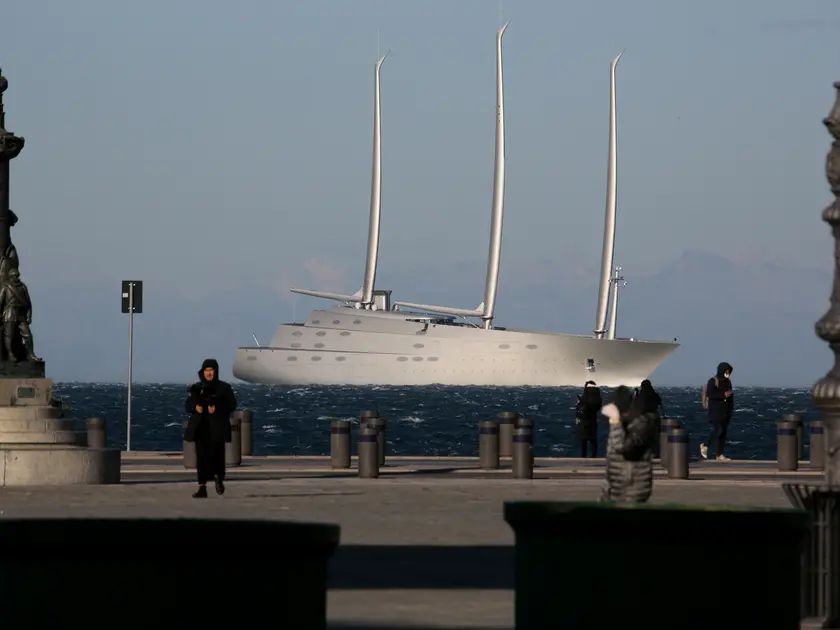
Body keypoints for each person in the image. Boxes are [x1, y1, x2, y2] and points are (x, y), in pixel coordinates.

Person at [184, 358, 238, 498]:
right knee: (201, 459)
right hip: (200, 428)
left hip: (217, 428)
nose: (209, 373)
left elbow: (232, 405)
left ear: (216, 371)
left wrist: (218, 408)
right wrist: (195, 407)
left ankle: (218, 478)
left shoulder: (224, 388)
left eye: (211, 370)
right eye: (206, 370)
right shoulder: (196, 388)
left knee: (217, 456)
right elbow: (187, 406)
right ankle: (202, 488)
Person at [600, 385, 659, 503]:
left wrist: (615, 422)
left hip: (632, 489)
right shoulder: (622, 424)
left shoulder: (640, 424)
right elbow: (612, 461)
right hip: (615, 488)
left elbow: (621, 446)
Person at [700, 362, 734, 461]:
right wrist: (723, 395)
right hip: (715, 411)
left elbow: (731, 395)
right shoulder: (713, 381)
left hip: (726, 411)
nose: (727, 373)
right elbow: (711, 394)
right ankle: (705, 445)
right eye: (726, 371)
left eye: (729, 372)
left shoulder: (728, 382)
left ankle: (719, 454)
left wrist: (731, 409)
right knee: (717, 430)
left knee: (723, 433)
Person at [633, 379, 663, 456]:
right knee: (655, 437)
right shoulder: (653, 394)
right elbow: (659, 401)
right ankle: (655, 453)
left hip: (644, 418)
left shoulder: (641, 395)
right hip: (654, 417)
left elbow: (636, 404)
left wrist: (636, 393)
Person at [575, 381, 602, 457]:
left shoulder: (584, 400)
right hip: (593, 423)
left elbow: (578, 413)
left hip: (584, 424)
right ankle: (594, 458)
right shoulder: (596, 400)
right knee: (593, 442)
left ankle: (583, 459)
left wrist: (579, 403)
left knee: (583, 443)